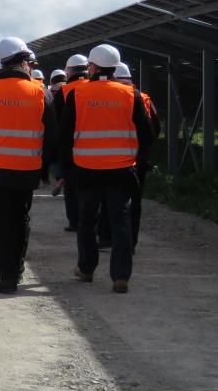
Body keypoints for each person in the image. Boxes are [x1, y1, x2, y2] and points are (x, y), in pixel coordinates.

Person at [60, 45, 152, 293]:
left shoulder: (77, 94)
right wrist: (135, 156)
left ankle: (87, 268)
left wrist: (67, 167)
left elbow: (66, 134)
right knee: (120, 220)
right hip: (121, 169)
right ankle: (121, 276)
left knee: (87, 220)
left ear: (92, 66)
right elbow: (147, 132)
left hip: (87, 168)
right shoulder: (130, 94)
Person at [0, 37, 57, 294]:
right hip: (26, 170)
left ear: (1, 62)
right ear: (24, 61)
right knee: (20, 219)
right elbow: (52, 135)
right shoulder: (39, 91)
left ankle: (6, 277)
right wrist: (45, 169)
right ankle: (17, 271)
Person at [115, 63, 161, 252]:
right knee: (135, 200)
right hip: (139, 160)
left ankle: (109, 237)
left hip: (115, 159)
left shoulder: (114, 97)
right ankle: (131, 240)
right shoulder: (143, 98)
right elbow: (155, 129)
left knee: (112, 201)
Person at [55, 54, 90, 232]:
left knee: (71, 187)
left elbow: (58, 122)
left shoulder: (65, 91)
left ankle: (74, 221)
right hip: (93, 148)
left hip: (71, 147)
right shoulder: (94, 88)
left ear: (69, 71)